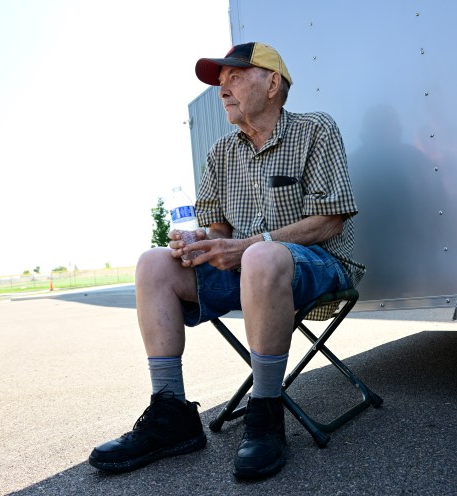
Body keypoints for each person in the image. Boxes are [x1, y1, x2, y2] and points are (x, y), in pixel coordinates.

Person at [88, 41, 365, 480]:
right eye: (220, 83)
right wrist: (201, 242)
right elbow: (221, 234)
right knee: (153, 262)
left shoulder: (316, 129)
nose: (223, 90)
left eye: (234, 77)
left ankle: (266, 412)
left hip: (320, 266)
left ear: (272, 83)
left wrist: (250, 245)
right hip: (250, 270)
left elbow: (331, 220)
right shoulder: (220, 153)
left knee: (260, 254)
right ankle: (171, 414)